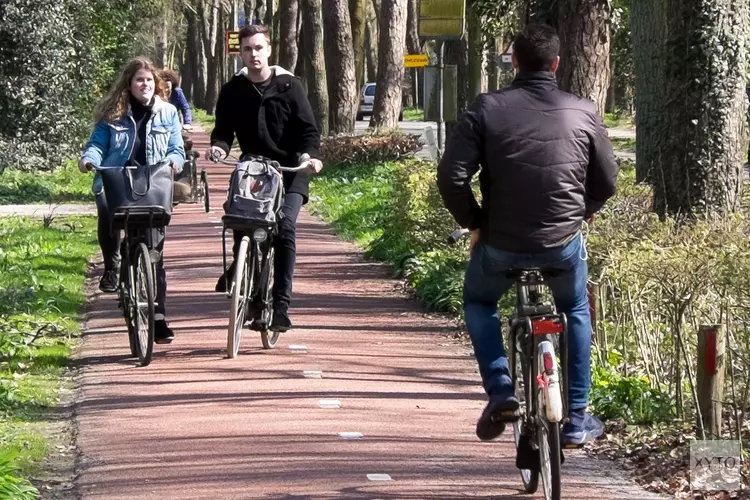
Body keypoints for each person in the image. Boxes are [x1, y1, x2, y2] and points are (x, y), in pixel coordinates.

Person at [436, 24, 619, 447]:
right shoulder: (583, 110)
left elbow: (452, 177)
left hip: (501, 243)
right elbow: (607, 181)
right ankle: (576, 416)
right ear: (557, 64)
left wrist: (476, 222)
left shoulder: (486, 108)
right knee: (574, 307)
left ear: (513, 61)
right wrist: (582, 212)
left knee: (479, 301)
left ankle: (501, 391)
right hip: (561, 243)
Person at [206, 24, 323, 333]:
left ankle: (281, 306)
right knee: (240, 222)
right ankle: (242, 269)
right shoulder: (233, 89)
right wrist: (219, 148)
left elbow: (309, 131)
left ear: (269, 50)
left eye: (258, 48)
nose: (253, 54)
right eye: (247, 49)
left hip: (289, 172)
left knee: (284, 227)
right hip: (253, 171)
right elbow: (222, 131)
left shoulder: (290, 85)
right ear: (240, 52)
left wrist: (309, 157)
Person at [79, 57, 185, 344]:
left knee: (155, 253)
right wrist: (89, 160)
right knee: (105, 208)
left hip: (153, 183)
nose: (145, 84)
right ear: (129, 84)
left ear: (157, 84)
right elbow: (97, 145)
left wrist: (174, 162)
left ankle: (158, 317)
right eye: (139, 80)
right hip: (117, 180)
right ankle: (112, 265)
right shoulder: (113, 114)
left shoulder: (169, 113)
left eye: (149, 80)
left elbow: (177, 148)